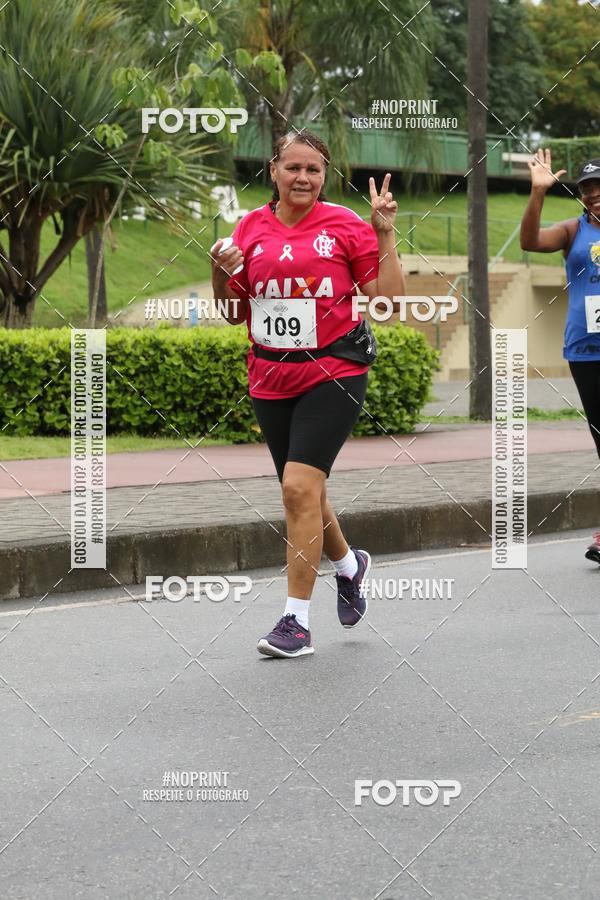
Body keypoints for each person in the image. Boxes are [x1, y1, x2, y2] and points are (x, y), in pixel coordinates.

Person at [210, 129, 405, 657]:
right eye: (293, 168)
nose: (303, 178)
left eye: (314, 170)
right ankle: (349, 564)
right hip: (270, 376)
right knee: (307, 492)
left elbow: (388, 302)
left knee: (296, 488)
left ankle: (295, 623)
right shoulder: (249, 228)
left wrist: (384, 233)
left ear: (325, 175)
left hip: (334, 369)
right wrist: (217, 272)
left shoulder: (343, 225)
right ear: (273, 170)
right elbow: (233, 313)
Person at [520, 149, 600, 565]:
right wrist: (538, 193)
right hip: (586, 351)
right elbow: (530, 241)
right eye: (588, 189)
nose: (595, 195)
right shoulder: (573, 231)